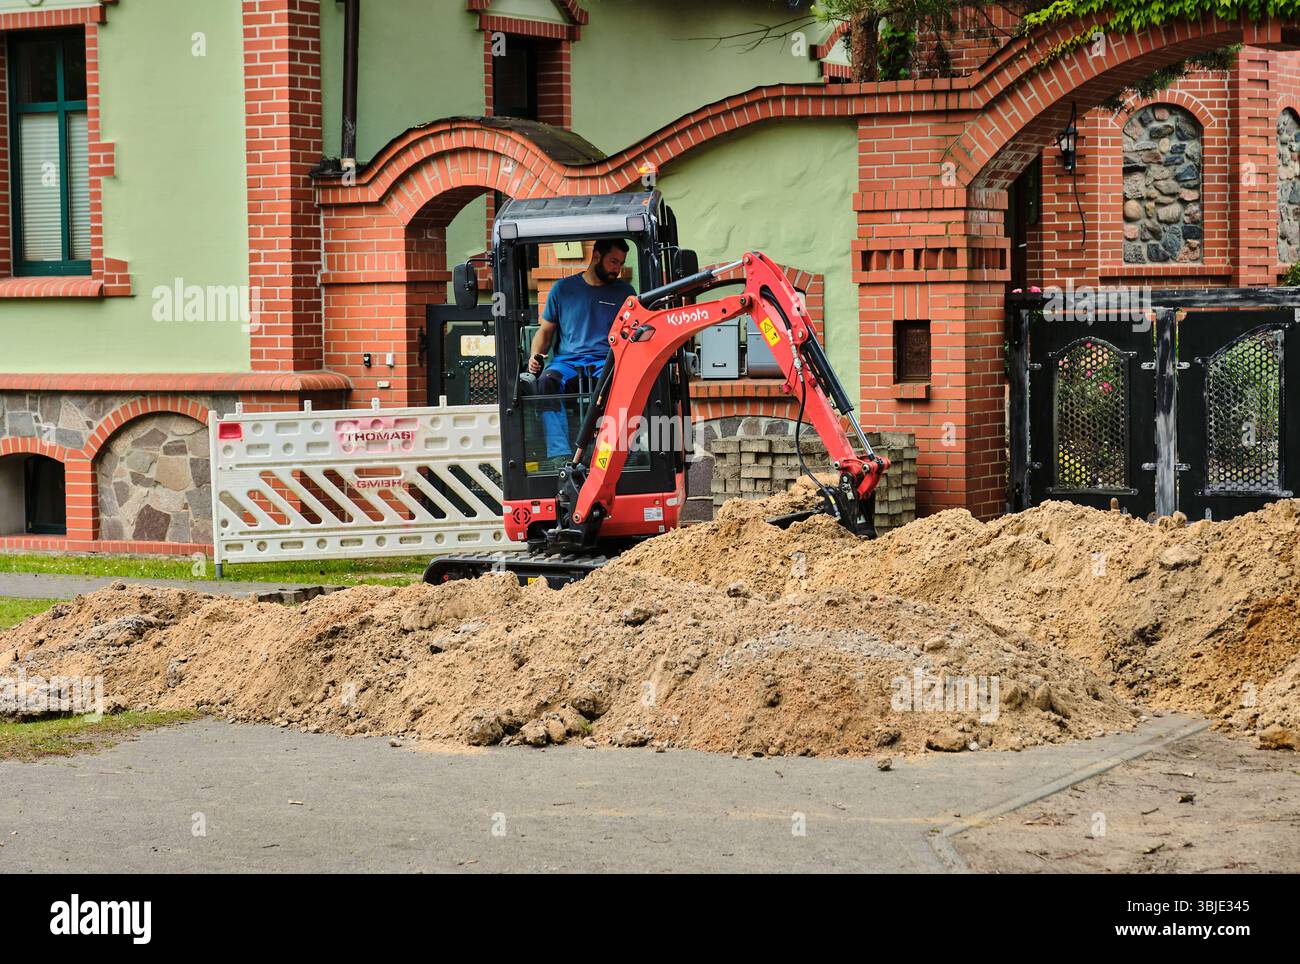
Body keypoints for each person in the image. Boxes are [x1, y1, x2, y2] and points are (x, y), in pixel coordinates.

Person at [528, 239, 636, 462]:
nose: (617, 269)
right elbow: (545, 332)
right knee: (548, 380)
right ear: (596, 255)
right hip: (568, 362)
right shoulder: (563, 289)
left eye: (621, 263)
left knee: (623, 383)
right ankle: (559, 454)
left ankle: (610, 452)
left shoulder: (625, 292)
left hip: (606, 361)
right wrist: (535, 356)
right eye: (613, 261)